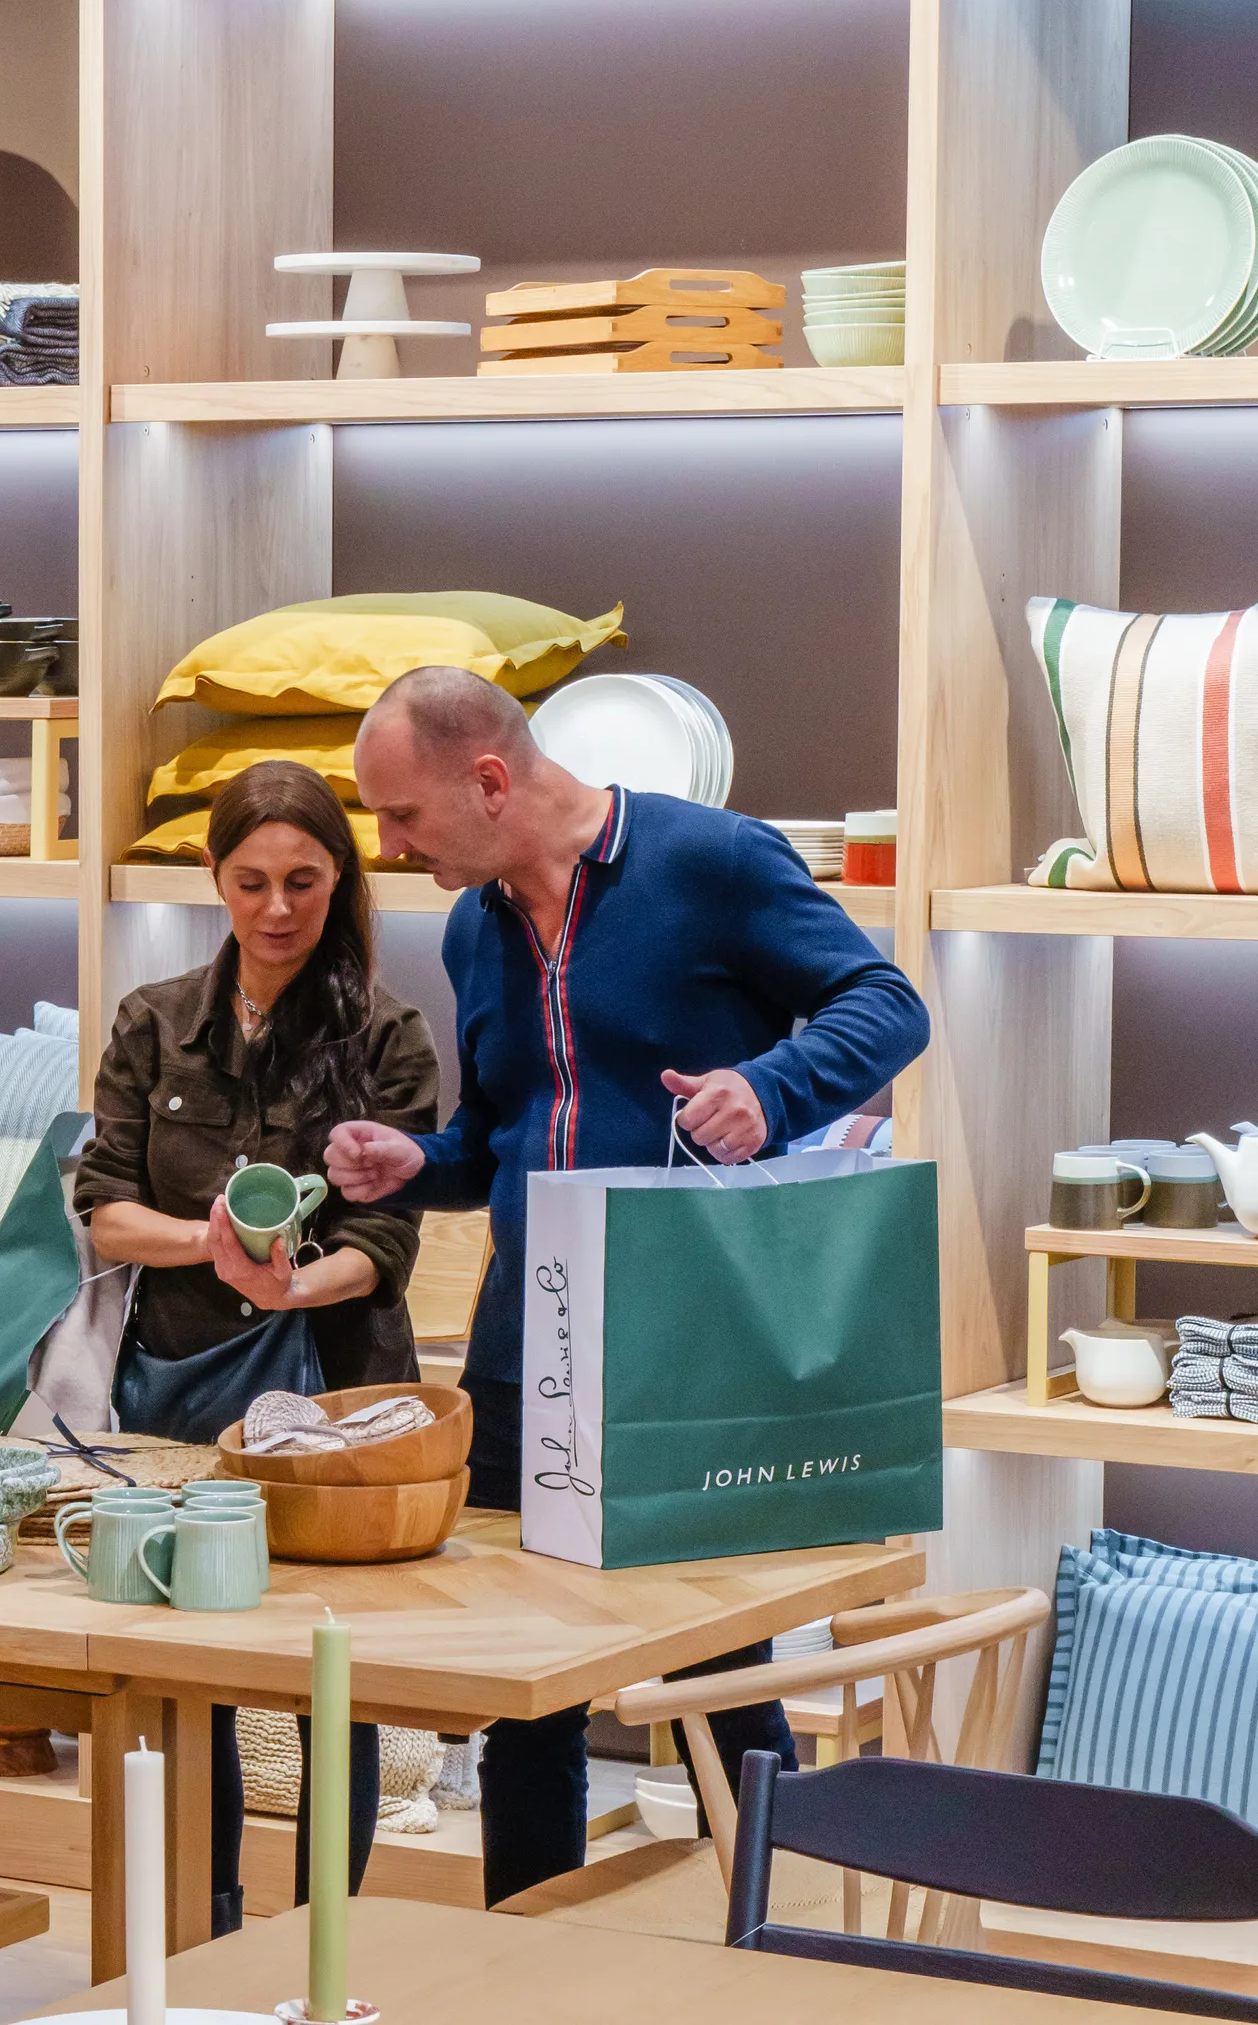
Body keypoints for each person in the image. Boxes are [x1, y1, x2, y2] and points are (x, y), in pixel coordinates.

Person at [325, 664, 931, 1907]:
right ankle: (524, 1954)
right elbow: (497, 1136)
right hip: (520, 1339)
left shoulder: (711, 862)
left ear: (491, 780)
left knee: (723, 1674)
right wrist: (411, 1165)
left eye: (402, 818)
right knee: (525, 1688)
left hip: (696, 1333)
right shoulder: (472, 924)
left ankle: (767, 1943)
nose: (387, 847)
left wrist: (772, 1088)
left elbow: (888, 1004)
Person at [77, 757, 441, 1932]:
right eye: (251, 881)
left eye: (304, 881)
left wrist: (289, 1293)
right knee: (201, 1679)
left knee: (339, 1681)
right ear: (212, 878)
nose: (278, 909)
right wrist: (214, 1243)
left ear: (343, 879)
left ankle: (326, 1939)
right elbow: (103, 1208)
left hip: (341, 1399)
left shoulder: (388, 1035)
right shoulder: (154, 1021)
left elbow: (385, 1242)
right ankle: (217, 1930)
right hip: (179, 1394)